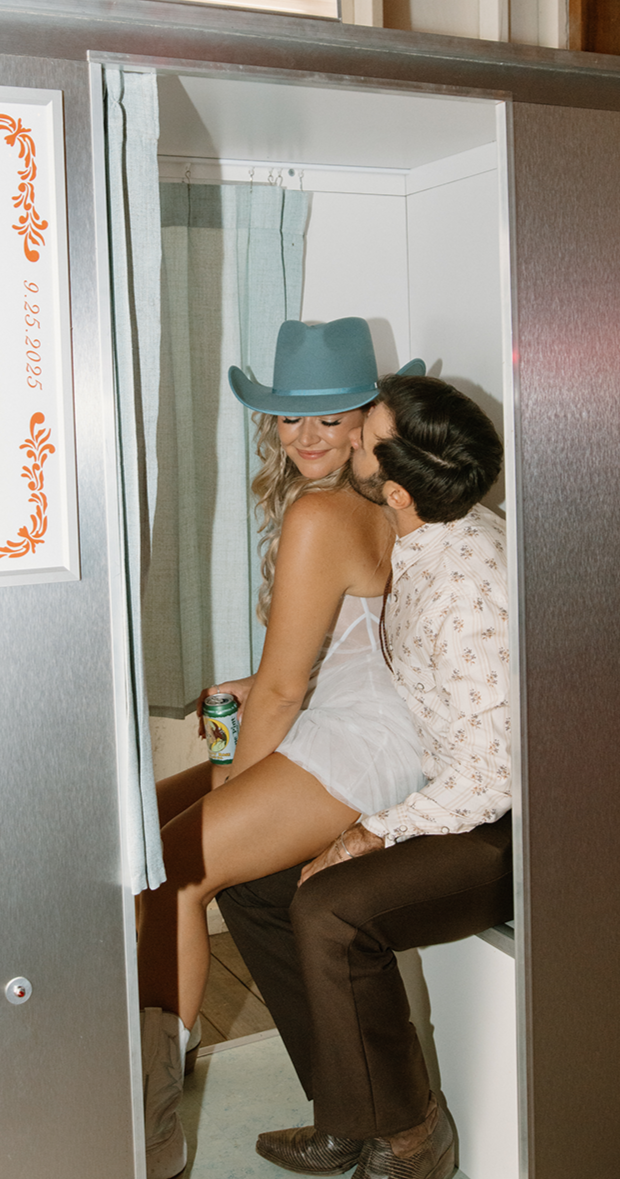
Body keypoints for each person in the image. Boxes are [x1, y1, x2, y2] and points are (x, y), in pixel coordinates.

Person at [139, 318, 430, 1179]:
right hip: (357, 725)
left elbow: (284, 692)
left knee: (178, 866)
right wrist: (241, 698)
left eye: (330, 418)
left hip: (364, 746)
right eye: (288, 417)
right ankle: (329, 1096)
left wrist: (232, 775)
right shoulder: (380, 501)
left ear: (365, 417)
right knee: (149, 826)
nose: (305, 436)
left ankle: (154, 1121)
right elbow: (310, 662)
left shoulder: (321, 512)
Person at [217, 373, 512, 1179]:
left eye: (361, 432)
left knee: (333, 909)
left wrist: (371, 830)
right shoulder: (420, 534)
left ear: (392, 484)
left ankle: (414, 1137)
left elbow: (491, 778)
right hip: (453, 794)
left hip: (503, 827)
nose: (341, 438)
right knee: (253, 888)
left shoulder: (459, 582)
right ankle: (348, 1115)